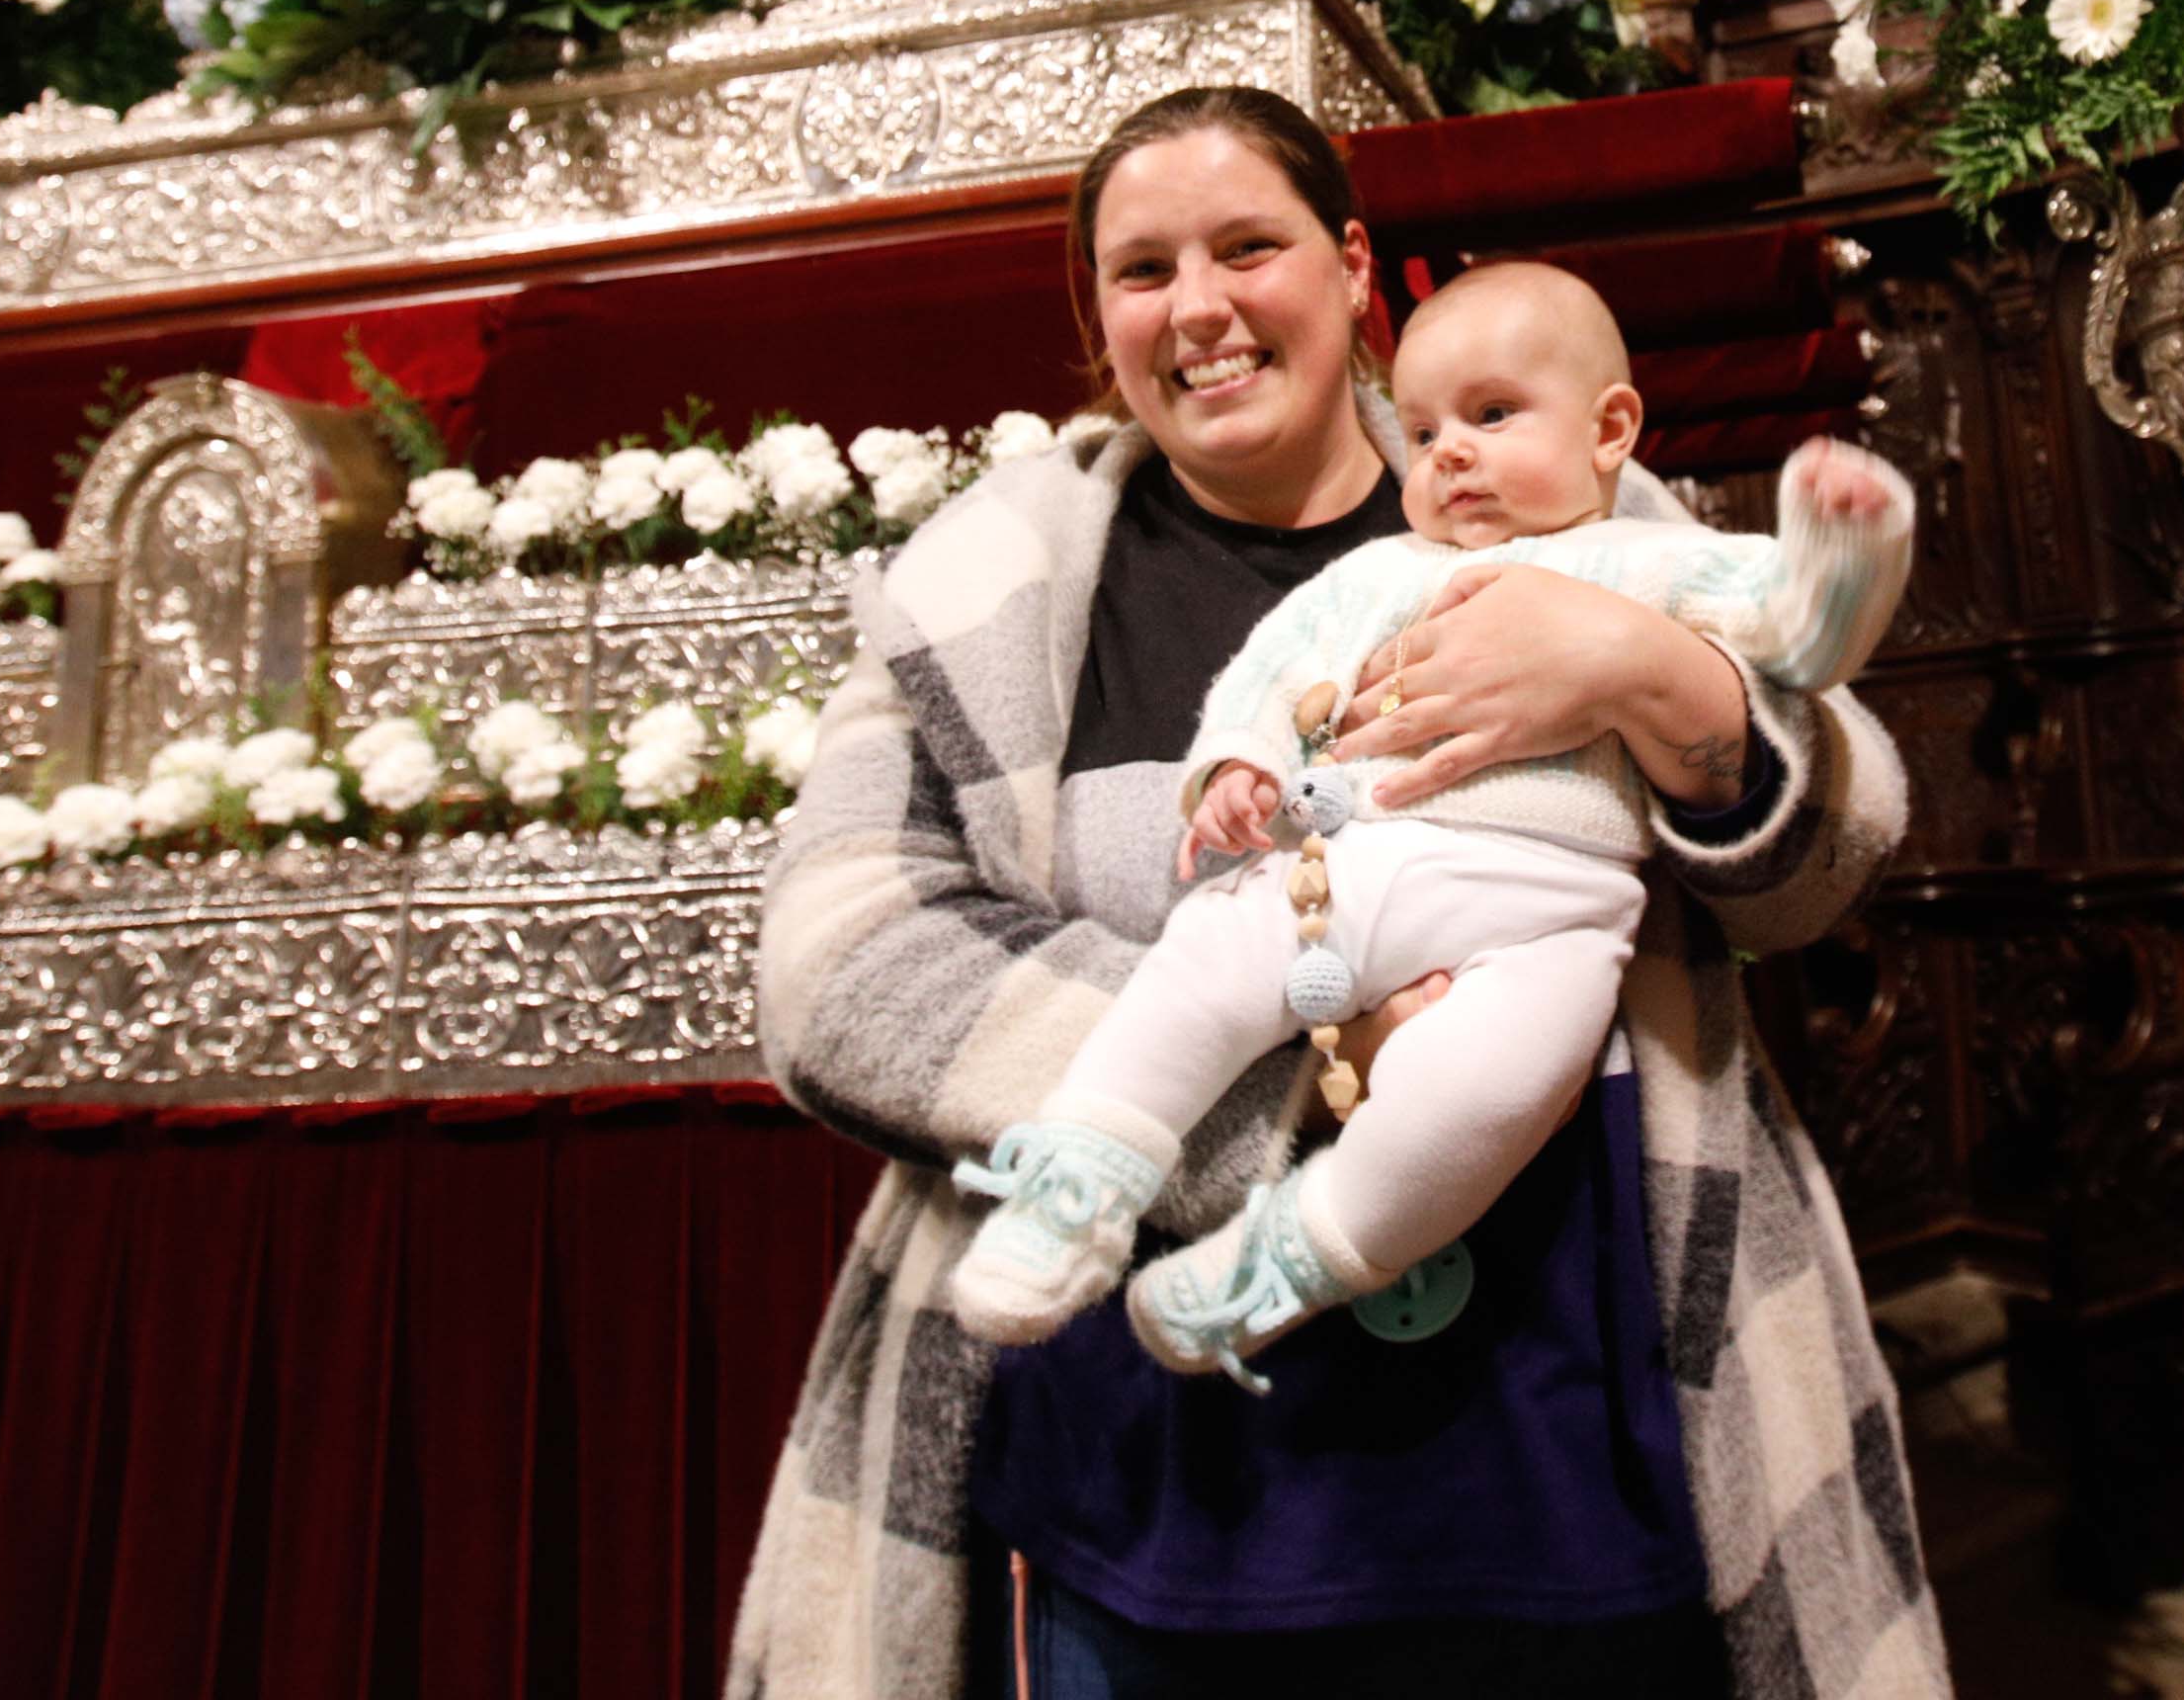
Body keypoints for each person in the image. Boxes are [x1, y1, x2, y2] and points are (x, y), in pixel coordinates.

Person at [731, 86, 1949, 1700]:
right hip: (1166, 1471)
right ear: (1095, 313)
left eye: (1251, 245)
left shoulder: (1541, 488)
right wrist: (1298, 1061)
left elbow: (1839, 845)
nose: (1203, 307)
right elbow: (839, 964)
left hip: (1566, 1404)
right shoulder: (994, 589)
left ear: (1353, 265)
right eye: (1143, 269)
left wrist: (1660, 681)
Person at [949, 261, 1912, 1387]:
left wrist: (1844, 553)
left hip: (1550, 918)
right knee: (1199, 969)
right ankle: (1077, 1181)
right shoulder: (1380, 571)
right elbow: (1275, 667)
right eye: (1421, 428)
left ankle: (1279, 1268)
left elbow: (1796, 642)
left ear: (1608, 429)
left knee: (1484, 1099)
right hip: (1345, 870)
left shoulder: (1658, 561)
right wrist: (1238, 761)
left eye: (1491, 415)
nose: (1447, 450)